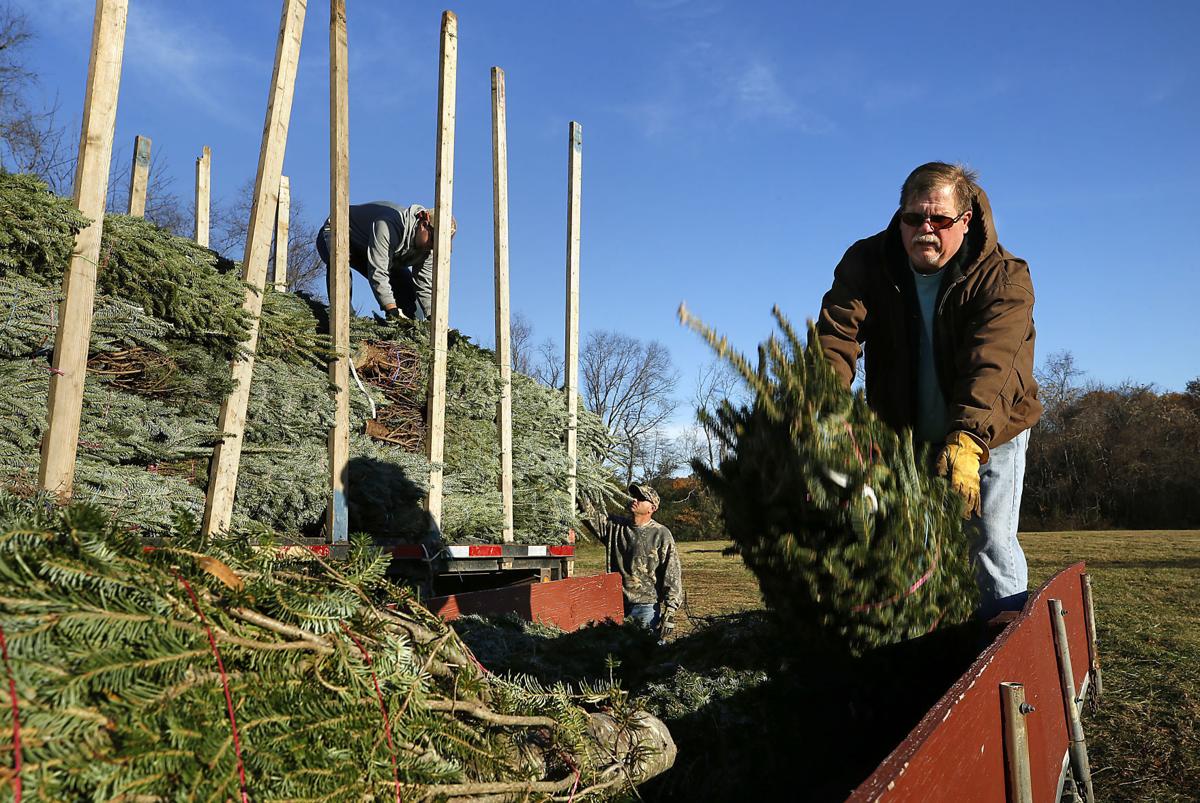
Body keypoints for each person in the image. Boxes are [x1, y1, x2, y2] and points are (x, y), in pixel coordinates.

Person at [816, 162, 1042, 620]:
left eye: (939, 220)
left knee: (990, 541)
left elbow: (995, 364)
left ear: (964, 221)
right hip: (908, 436)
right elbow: (835, 338)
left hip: (989, 433)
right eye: (913, 218)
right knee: (909, 545)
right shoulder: (868, 262)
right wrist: (826, 414)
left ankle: (1003, 650)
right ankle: (923, 649)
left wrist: (968, 438)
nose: (925, 229)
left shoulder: (1004, 276)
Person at [315, 202, 454, 320]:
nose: (433, 247)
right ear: (424, 225)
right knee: (340, 263)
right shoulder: (388, 224)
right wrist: (391, 309)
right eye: (434, 241)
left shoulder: (428, 249)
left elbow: (425, 286)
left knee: (407, 288)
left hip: (377, 250)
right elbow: (378, 271)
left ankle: (405, 334)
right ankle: (345, 319)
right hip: (339, 231)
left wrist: (434, 320)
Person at [582, 483, 684, 639]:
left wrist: (670, 611)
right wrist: (578, 483)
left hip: (645, 607)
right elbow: (588, 513)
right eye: (635, 496)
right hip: (615, 605)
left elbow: (672, 572)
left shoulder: (661, 534)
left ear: (652, 508)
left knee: (643, 654)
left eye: (642, 498)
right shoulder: (615, 527)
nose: (635, 499)